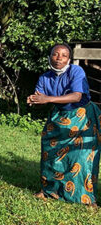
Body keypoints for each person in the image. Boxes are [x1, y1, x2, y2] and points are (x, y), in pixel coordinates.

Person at [27, 44, 100, 205]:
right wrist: (34, 100)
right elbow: (41, 96)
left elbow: (75, 96)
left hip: (81, 116)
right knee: (50, 152)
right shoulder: (45, 77)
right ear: (50, 57)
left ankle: (86, 198)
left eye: (64, 55)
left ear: (69, 59)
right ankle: (49, 190)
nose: (59, 58)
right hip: (59, 117)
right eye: (55, 54)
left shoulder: (76, 71)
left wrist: (48, 99)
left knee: (81, 157)